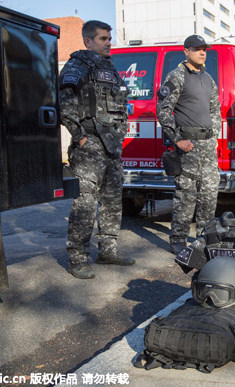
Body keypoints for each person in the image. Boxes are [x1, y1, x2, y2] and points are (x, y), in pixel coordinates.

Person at [59, 20, 135, 279]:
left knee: (113, 201)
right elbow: (65, 105)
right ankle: (78, 257)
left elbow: (122, 106)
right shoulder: (77, 66)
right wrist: (80, 138)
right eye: (103, 38)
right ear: (88, 41)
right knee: (86, 203)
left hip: (112, 147)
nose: (109, 42)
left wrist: (121, 135)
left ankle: (108, 250)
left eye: (109, 38)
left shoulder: (111, 70)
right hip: (89, 147)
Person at [157, 35, 221, 254]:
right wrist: (178, 140)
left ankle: (204, 239)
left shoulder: (208, 79)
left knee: (209, 195)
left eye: (204, 49)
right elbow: (163, 109)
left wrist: (214, 135)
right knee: (186, 196)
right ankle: (178, 239)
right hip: (188, 146)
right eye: (197, 49)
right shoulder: (177, 76)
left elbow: (215, 109)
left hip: (207, 146)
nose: (202, 53)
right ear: (186, 51)